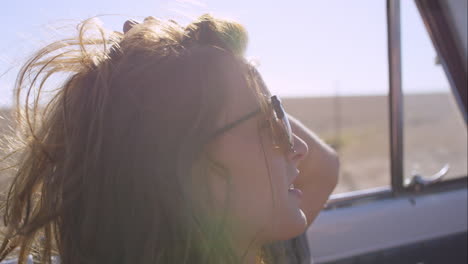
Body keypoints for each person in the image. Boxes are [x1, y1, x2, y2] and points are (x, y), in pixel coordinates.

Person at [0, 14, 339, 264]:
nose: (299, 148)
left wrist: (211, 67)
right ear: (180, 165)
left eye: (279, 114)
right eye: (269, 124)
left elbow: (325, 167)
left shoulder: (259, 242)